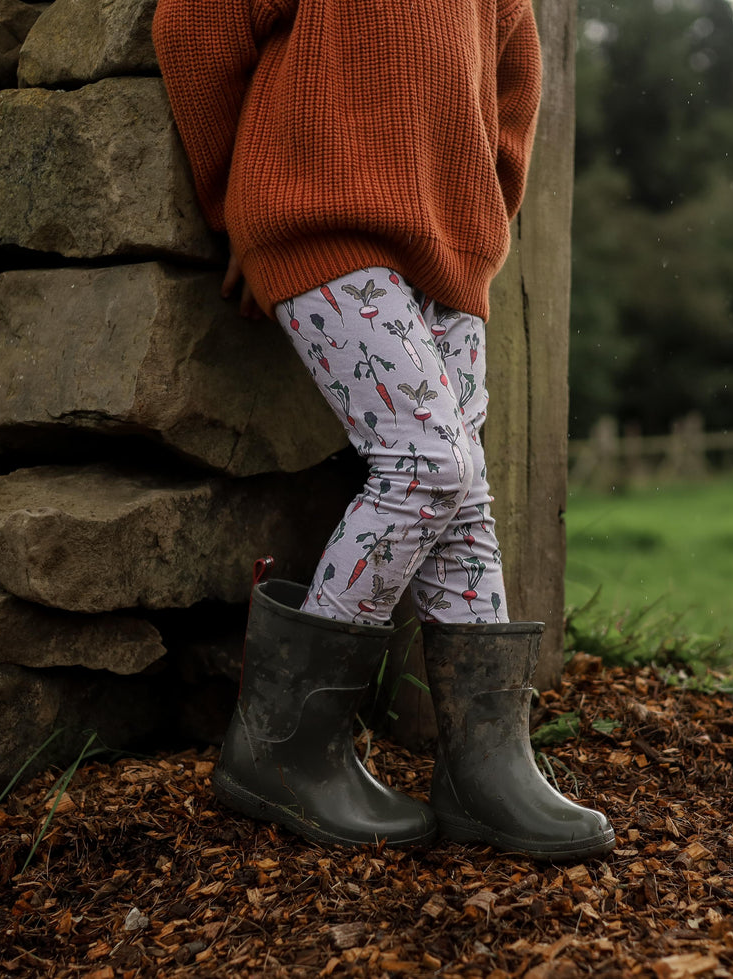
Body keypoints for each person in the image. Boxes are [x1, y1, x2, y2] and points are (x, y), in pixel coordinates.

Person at [153, 0, 614, 860]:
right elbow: (196, 27)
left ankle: (485, 764)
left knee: (465, 487)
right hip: (314, 221)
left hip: (452, 245)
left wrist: (483, 217)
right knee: (429, 462)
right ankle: (282, 744)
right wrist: (230, 209)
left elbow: (513, 98)